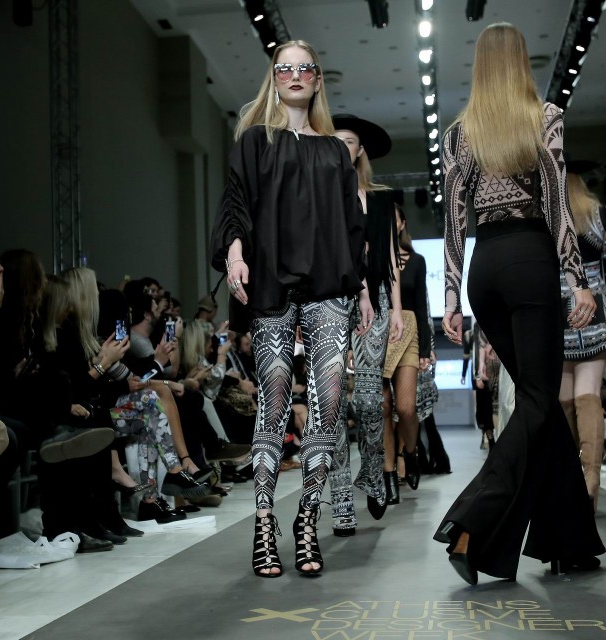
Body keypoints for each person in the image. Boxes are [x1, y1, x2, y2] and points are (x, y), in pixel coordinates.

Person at [433, 23, 604, 585]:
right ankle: (471, 522)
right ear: (522, 61)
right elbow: (556, 204)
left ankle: (570, 542)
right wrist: (579, 280)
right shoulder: (544, 116)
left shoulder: (461, 133)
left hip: (485, 271)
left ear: (480, 65)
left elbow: (453, 222)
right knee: (537, 400)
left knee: (541, 408)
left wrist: (450, 296)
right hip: (531, 261)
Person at [210, 40, 372, 578]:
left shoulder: (335, 152)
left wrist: (361, 291)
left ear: (318, 79)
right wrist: (235, 254)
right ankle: (263, 524)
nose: (296, 75)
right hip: (272, 282)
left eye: (306, 68)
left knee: (328, 403)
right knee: (274, 400)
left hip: (329, 287)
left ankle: (307, 520)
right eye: (286, 68)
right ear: (274, 77)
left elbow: (352, 227)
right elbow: (236, 204)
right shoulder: (254, 141)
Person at [327, 113, 403, 534]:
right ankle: (340, 497)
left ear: (360, 151)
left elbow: (390, 258)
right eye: (336, 140)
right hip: (328, 302)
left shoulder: (382, 199)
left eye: (350, 141)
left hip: (375, 301)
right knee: (333, 403)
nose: (343, 147)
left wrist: (397, 309)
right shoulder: (319, 195)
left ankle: (373, 469)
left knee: (372, 402)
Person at [558, 173, 606, 511]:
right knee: (588, 395)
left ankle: (568, 482)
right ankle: (591, 478)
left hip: (559, 312)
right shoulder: (601, 216)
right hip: (595, 310)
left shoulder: (550, 218)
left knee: (564, 401)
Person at [382, 209, 431, 502]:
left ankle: (410, 453)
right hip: (378, 333)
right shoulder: (374, 257)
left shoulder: (417, 261)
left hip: (409, 331)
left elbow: (422, 305)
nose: (391, 223)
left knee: (407, 408)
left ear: (402, 224)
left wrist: (425, 348)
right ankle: (388, 472)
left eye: (395, 219)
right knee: (383, 407)